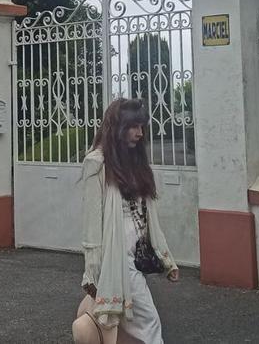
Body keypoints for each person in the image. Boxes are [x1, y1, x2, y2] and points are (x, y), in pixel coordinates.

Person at [80, 98, 180, 344]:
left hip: (137, 251)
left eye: (142, 126)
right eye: (133, 126)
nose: (140, 133)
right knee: (148, 320)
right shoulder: (97, 163)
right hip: (117, 256)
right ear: (117, 127)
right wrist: (91, 271)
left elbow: (149, 216)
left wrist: (166, 259)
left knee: (130, 323)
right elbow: (92, 222)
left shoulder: (136, 162)